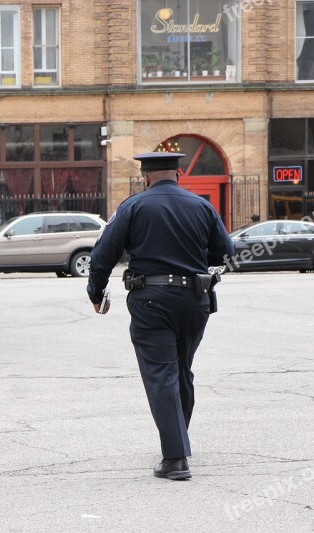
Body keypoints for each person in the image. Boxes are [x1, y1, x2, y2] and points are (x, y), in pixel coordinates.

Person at [86, 152, 234, 481]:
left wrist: (96, 293)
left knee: (160, 374)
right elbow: (225, 251)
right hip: (195, 299)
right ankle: (177, 437)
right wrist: (194, 256)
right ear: (179, 174)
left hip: (150, 300)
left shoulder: (133, 206)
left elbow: (103, 254)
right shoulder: (202, 206)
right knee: (182, 371)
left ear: (145, 177)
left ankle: (176, 458)